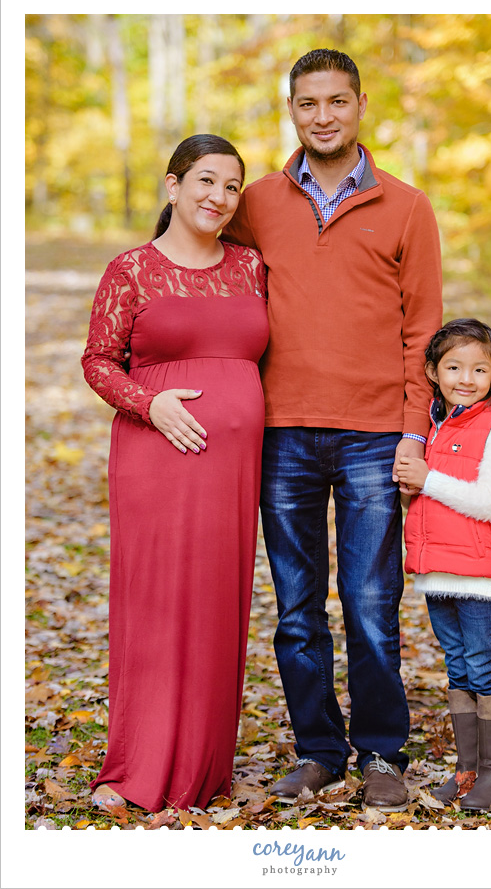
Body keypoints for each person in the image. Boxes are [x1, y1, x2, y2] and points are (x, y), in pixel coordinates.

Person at [223, 49, 442, 810]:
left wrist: (415, 432)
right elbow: (212, 283)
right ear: (291, 109)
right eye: (308, 103)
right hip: (280, 431)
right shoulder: (256, 202)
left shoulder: (407, 206)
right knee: (296, 609)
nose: (323, 116)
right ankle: (319, 751)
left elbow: (423, 331)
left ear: (360, 105)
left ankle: (381, 751)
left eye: (337, 101)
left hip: (374, 434)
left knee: (372, 603)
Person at [81, 135, 268, 812]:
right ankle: (139, 766)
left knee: (218, 606)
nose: (219, 197)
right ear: (173, 185)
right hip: (156, 458)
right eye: (206, 181)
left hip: (233, 470)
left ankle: (204, 769)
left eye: (231, 186)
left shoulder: (251, 267)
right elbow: (98, 360)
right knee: (158, 604)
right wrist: (148, 402)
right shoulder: (132, 269)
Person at [396, 318, 491, 812]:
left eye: (479, 369)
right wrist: (411, 488)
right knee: (457, 666)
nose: (465, 379)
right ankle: (467, 770)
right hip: (438, 572)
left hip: (478, 577)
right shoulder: (434, 426)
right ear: (433, 371)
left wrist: (426, 478)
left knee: (481, 665)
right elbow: (430, 500)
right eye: (453, 367)